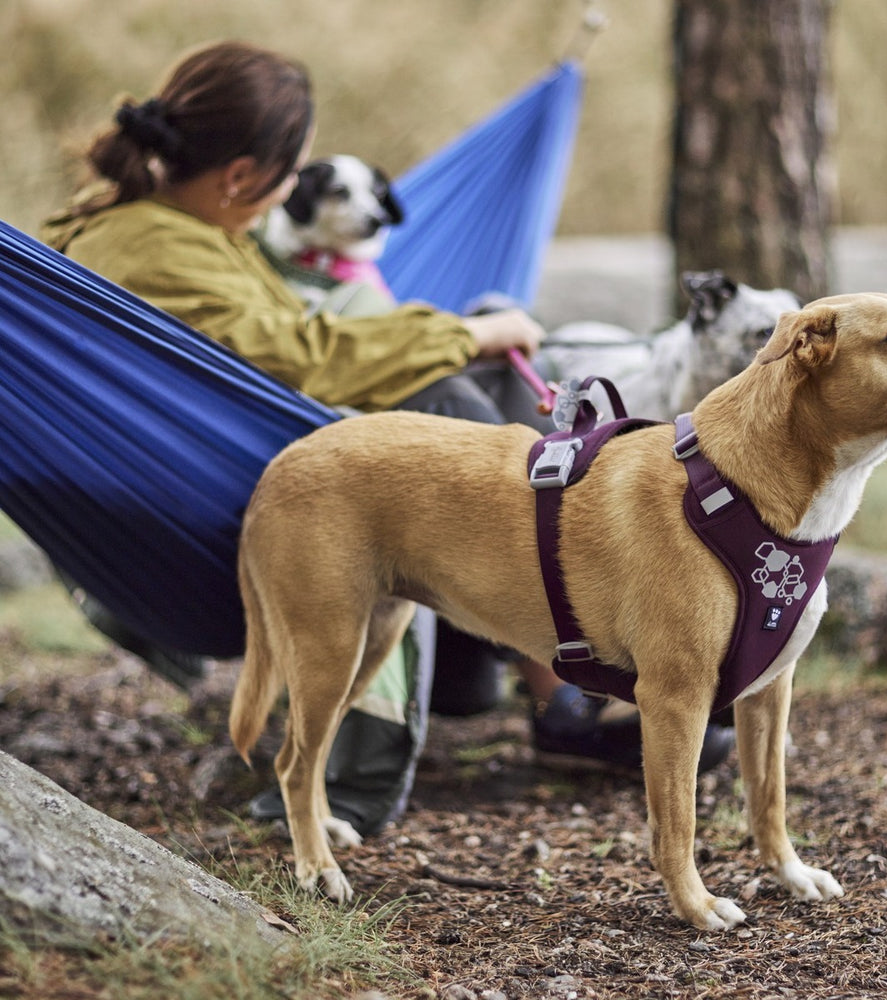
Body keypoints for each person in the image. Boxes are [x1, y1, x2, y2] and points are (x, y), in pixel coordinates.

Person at [41, 40, 733, 833]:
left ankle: (525, 671)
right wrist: (460, 337)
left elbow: (286, 338)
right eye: (285, 182)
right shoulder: (160, 247)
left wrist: (462, 334)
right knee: (451, 404)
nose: (281, 203)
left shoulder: (164, 226)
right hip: (235, 499)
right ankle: (561, 689)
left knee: (497, 393)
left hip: (230, 459)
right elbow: (302, 353)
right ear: (240, 177)